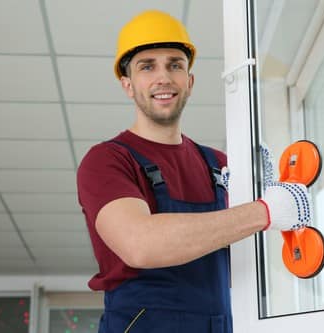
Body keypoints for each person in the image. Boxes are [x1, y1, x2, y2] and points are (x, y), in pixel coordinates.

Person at [77, 9, 309, 333]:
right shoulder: (108, 161)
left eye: (175, 65)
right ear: (127, 85)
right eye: (147, 66)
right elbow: (139, 244)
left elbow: (244, 263)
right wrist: (266, 210)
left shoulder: (219, 164)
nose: (164, 77)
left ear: (190, 81)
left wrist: (264, 196)